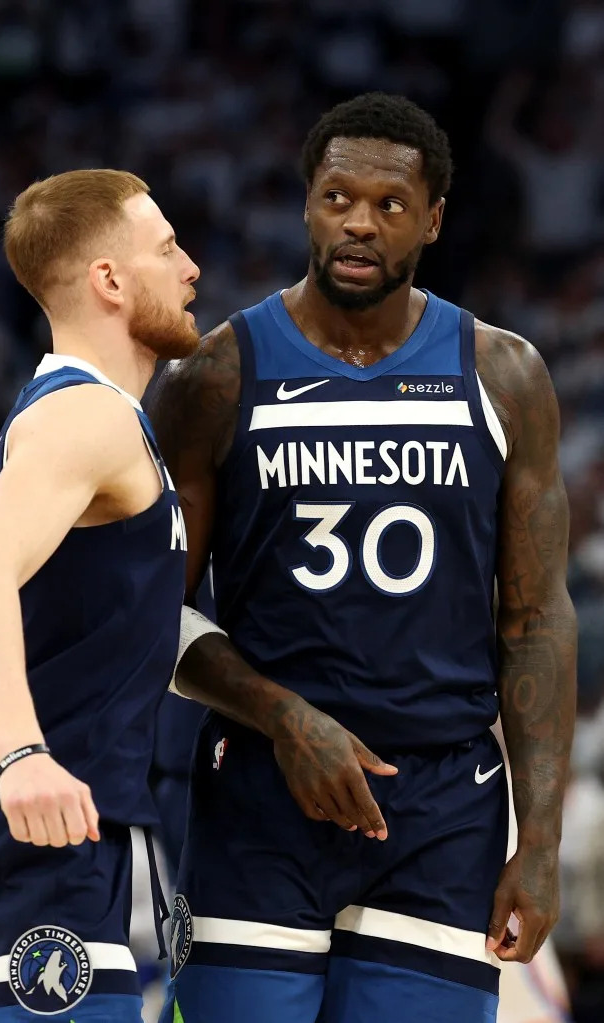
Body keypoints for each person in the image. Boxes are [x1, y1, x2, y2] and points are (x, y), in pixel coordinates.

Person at [149, 93, 577, 1023]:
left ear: (433, 220)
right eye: (337, 196)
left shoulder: (502, 374)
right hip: (259, 793)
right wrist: (283, 715)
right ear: (306, 203)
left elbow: (537, 618)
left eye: (390, 204)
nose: (358, 222)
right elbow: (152, 613)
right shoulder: (213, 376)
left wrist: (539, 839)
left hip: (441, 810)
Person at [0, 168, 200, 1023]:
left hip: (60, 829)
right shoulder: (87, 416)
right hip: (28, 834)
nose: (190, 268)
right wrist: (18, 756)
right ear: (108, 279)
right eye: (166, 249)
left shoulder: (89, 417)